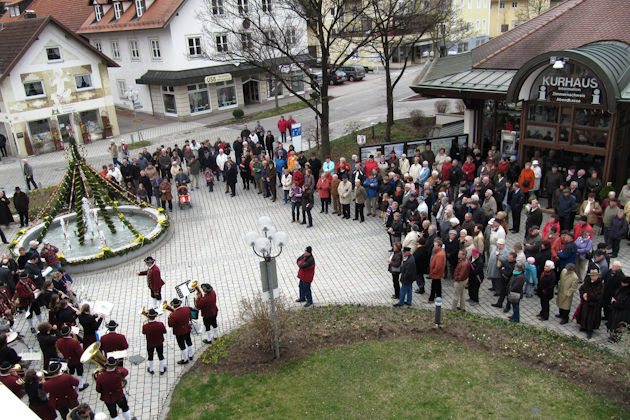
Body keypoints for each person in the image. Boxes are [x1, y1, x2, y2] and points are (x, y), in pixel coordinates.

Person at [56, 325, 89, 391]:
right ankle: (80, 386)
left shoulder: (59, 341)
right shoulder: (74, 342)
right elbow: (80, 353)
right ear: (69, 333)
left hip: (67, 359)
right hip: (76, 360)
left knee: (71, 371)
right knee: (79, 372)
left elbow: (59, 350)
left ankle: (72, 386)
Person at [576, 269, 604, 339]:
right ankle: (584, 326)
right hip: (586, 303)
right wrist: (583, 295)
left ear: (597, 276)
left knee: (591, 318)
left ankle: (589, 330)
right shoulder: (588, 281)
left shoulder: (600, 284)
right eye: (592, 276)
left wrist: (587, 296)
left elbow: (598, 295)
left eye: (594, 276)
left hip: (594, 304)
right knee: (584, 315)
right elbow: (582, 289)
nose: (593, 277)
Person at [168, 298, 194, 365]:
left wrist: (169, 317)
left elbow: (170, 324)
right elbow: (190, 316)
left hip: (179, 331)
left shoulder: (173, 315)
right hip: (187, 328)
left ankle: (185, 360)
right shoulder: (186, 309)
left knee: (182, 346)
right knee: (189, 341)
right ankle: (191, 355)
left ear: (174, 306)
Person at [142, 308, 167, 375]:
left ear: (148, 316)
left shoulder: (145, 326)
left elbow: (144, 332)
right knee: (160, 355)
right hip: (159, 342)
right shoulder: (160, 324)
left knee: (150, 356)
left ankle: (151, 369)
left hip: (150, 343)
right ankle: (162, 370)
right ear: (155, 316)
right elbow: (164, 331)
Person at [607, 276, 630, 341]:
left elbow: (623, 304)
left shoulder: (627, 294)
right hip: (618, 311)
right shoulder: (623, 290)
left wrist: (614, 302)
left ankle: (615, 338)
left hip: (622, 313)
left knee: (617, 325)